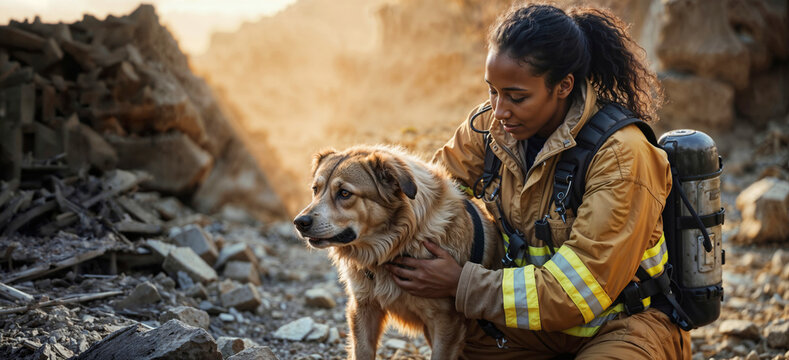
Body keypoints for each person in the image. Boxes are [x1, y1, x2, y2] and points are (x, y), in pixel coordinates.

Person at [385, 3, 691, 359]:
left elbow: (577, 293)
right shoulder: (489, 129)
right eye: (492, 92)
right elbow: (427, 203)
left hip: (621, 326)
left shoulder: (623, 157)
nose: (499, 110)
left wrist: (459, 282)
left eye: (517, 97)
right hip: (525, 327)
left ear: (563, 86)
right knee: (452, 337)